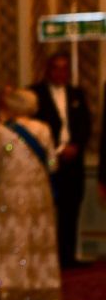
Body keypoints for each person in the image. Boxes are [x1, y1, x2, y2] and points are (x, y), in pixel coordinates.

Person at [0, 88, 61, 300]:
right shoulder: (44, 129)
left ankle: (9, 289)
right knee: (37, 237)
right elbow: (53, 164)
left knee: (12, 238)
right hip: (38, 192)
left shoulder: (2, 131)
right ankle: (41, 287)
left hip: (10, 191)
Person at [31, 52, 92, 267]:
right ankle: (46, 257)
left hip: (74, 161)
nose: (61, 72)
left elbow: (85, 124)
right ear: (48, 70)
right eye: (56, 67)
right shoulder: (35, 93)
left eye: (64, 68)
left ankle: (68, 256)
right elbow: (35, 129)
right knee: (45, 209)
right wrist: (57, 149)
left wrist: (75, 146)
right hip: (48, 161)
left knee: (71, 207)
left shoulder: (76, 94)